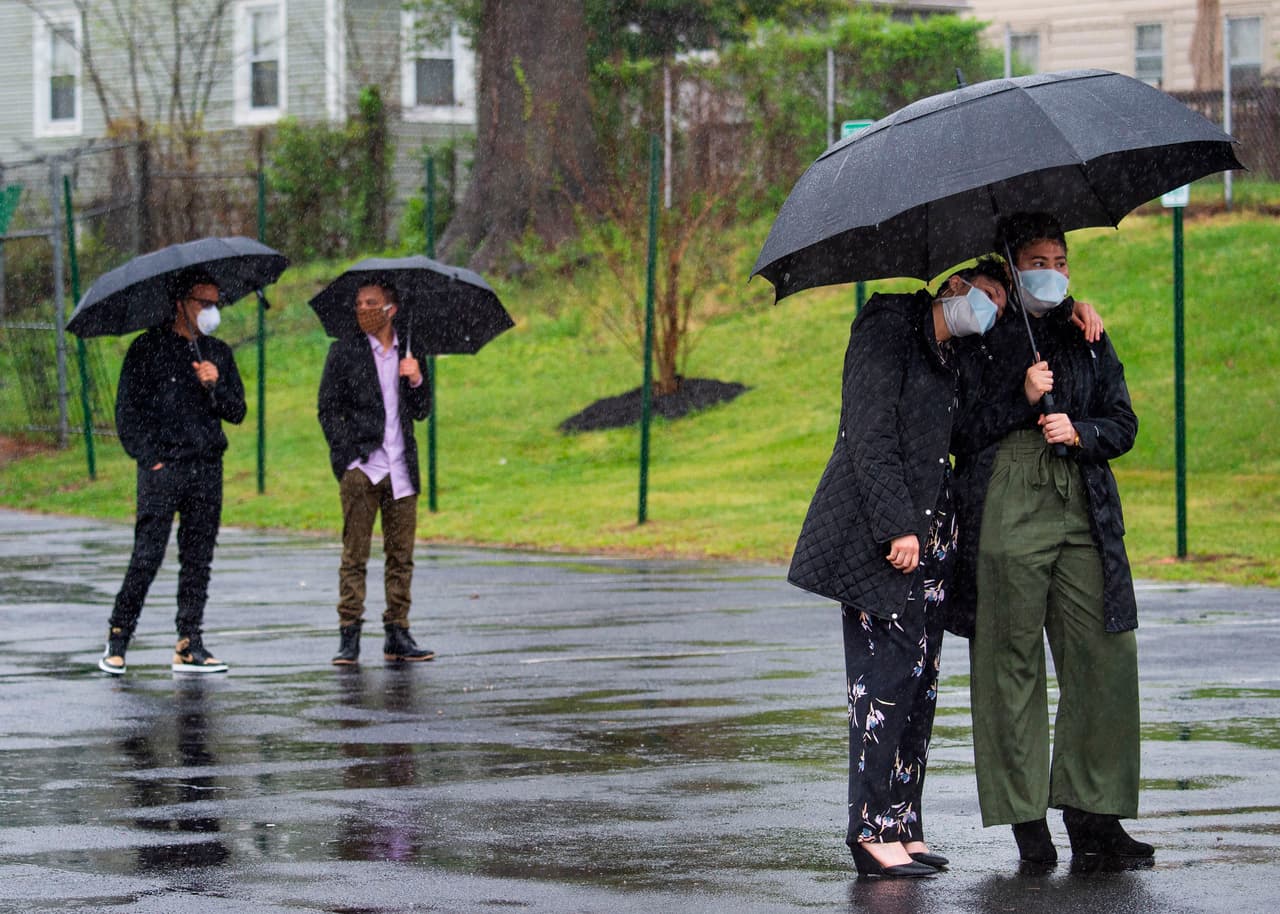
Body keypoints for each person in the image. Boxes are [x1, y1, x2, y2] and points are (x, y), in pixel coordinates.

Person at [788, 260, 1009, 878]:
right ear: (954, 287)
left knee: (917, 690)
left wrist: (1026, 392)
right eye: (985, 296)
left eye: (1000, 302)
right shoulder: (886, 326)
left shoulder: (953, 356)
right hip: (881, 543)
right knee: (881, 688)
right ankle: (868, 831)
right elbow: (868, 434)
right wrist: (896, 526)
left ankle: (903, 825)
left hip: (934, 549)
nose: (990, 310)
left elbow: (962, 436)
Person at [951, 212, 1152, 866]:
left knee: (1104, 653)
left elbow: (1122, 422)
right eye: (1040, 260)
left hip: (1082, 498)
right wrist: (1022, 393)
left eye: (1062, 261)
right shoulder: (982, 328)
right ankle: (1025, 818)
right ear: (1012, 265)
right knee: (1010, 660)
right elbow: (960, 429)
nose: (1055, 272)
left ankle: (1095, 819)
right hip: (1008, 495)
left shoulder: (1085, 331)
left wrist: (1082, 432)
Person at [99, 269, 246, 675]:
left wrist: (214, 385)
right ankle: (118, 635)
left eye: (217, 303)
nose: (212, 311)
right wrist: (151, 460)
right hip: (163, 471)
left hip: (206, 469)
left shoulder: (218, 352)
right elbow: (128, 414)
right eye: (205, 303)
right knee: (147, 556)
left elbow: (237, 411)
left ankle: (189, 641)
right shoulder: (147, 349)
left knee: (198, 558)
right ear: (181, 303)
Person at [318, 280, 435, 665]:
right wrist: (348, 457)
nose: (364, 309)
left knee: (401, 556)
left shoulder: (411, 352)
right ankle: (349, 635)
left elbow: (421, 410)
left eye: (372, 303)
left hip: (402, 469)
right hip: (363, 468)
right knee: (355, 556)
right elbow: (327, 408)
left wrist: (416, 377)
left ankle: (397, 632)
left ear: (392, 309)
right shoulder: (344, 352)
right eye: (359, 303)